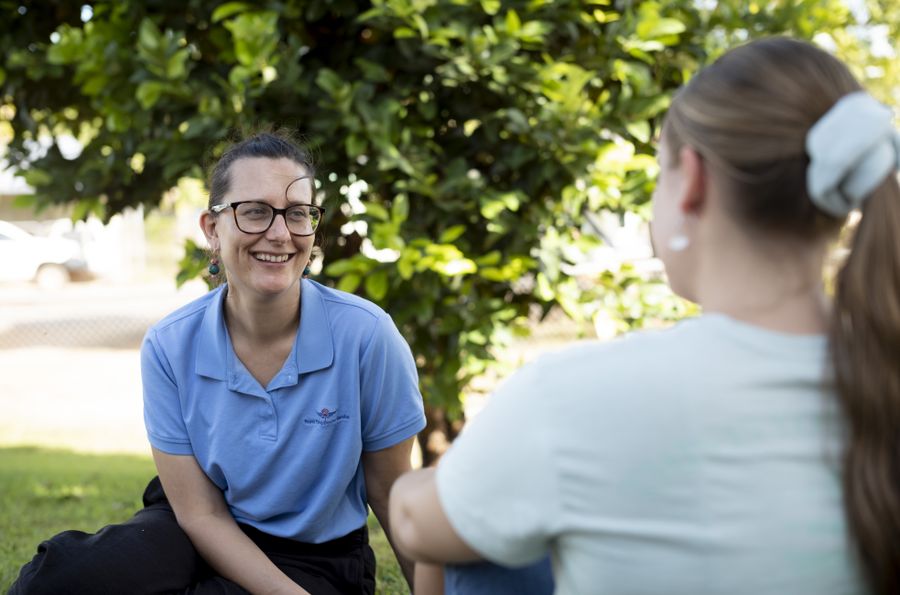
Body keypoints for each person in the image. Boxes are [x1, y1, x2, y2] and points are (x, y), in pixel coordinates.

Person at [389, 37, 900, 595]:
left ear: (693, 180)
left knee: (480, 544)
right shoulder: (880, 375)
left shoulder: (579, 395)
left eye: (661, 171)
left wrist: (438, 476)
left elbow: (414, 525)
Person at [10, 131, 427, 594]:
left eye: (297, 214)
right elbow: (200, 513)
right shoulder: (170, 345)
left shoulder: (367, 335)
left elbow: (391, 492)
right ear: (212, 228)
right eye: (254, 212)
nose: (279, 233)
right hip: (196, 526)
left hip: (316, 557)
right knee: (59, 582)